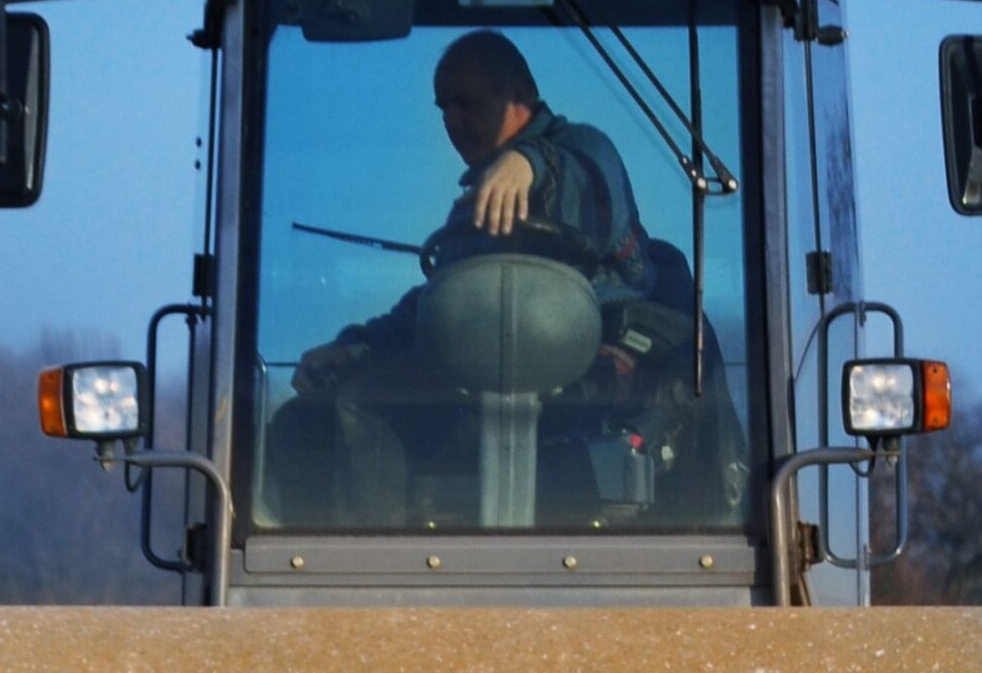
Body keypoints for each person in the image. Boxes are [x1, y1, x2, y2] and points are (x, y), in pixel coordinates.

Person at [268, 30, 736, 529]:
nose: (452, 122)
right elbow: (440, 305)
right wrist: (356, 347)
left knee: (367, 405)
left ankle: (371, 568)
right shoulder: (475, 207)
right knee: (305, 424)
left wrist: (530, 162)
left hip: (590, 381)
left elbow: (583, 180)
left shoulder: (581, 150)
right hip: (483, 382)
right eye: (444, 108)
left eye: (467, 104)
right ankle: (323, 568)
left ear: (519, 95)